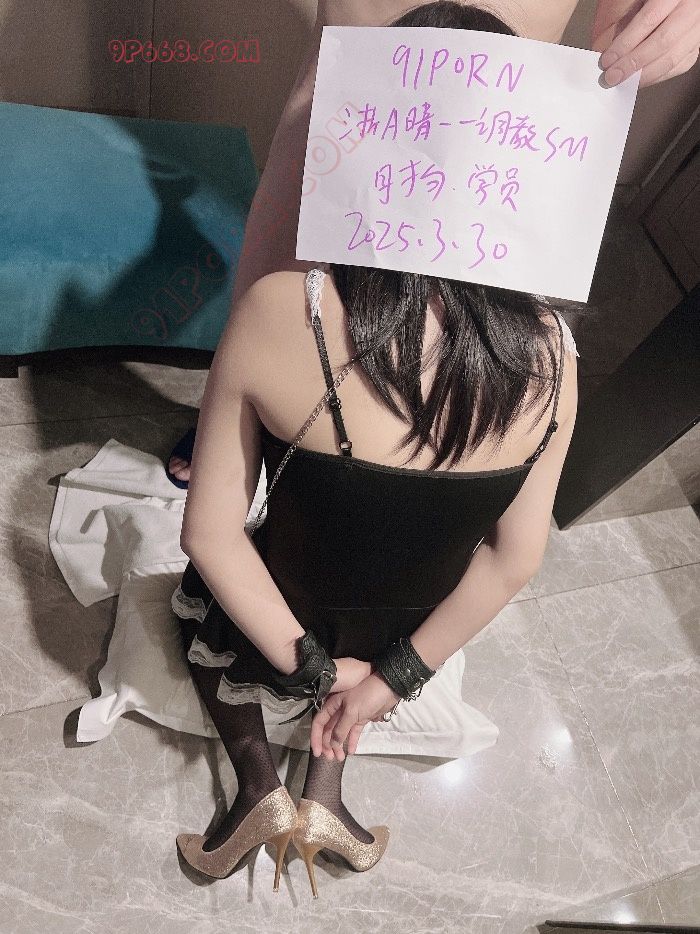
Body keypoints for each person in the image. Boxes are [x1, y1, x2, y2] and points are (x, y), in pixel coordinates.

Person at [168, 0, 685, 899]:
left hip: (281, 607)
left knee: (197, 621)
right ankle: (327, 790)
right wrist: (386, 680)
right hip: (403, 630)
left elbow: (209, 536)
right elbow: (515, 559)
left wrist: (312, 667)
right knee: (372, 616)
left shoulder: (280, 311)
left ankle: (257, 788)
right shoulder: (555, 362)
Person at [166, 0, 700, 487]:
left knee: (464, 338)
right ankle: (239, 418)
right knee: (274, 308)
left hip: (501, 118)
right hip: (353, 87)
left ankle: (417, 466)